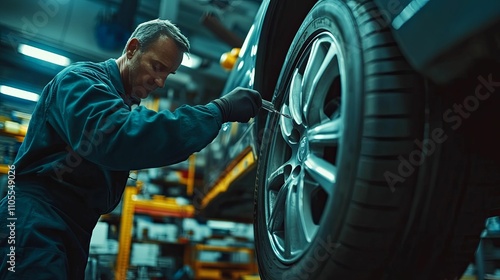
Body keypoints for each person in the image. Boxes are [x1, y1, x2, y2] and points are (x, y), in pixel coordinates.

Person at [0, 19, 262, 279]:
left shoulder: (119, 101)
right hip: (32, 219)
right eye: (157, 67)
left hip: (69, 225)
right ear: (133, 48)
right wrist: (218, 110)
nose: (160, 82)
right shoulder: (80, 80)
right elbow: (119, 136)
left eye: (167, 74)